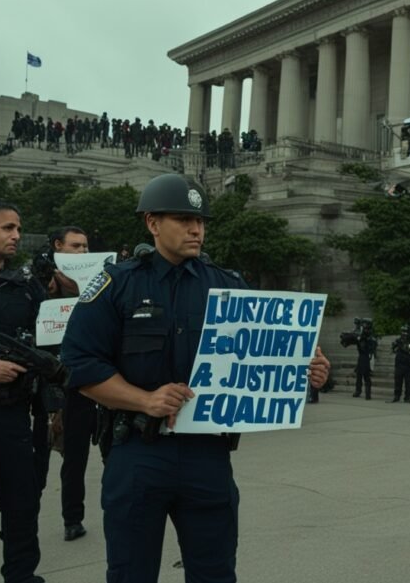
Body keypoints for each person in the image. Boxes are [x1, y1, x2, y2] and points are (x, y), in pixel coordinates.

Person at [60, 174, 330, 583]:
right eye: (184, 219)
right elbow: (79, 365)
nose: (196, 229)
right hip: (137, 453)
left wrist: (307, 371)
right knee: (130, 573)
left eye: (201, 220)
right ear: (152, 223)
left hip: (208, 457)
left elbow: (267, 357)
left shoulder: (229, 286)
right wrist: (145, 400)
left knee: (215, 573)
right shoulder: (118, 284)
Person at [0, 201, 48, 583]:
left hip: (14, 414)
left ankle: (22, 577)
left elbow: (52, 334)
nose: (16, 236)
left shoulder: (25, 286)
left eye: (19, 229)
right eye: (7, 228)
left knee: (22, 504)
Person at [44, 227, 95, 541]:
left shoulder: (99, 284)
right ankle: (72, 519)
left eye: (86, 247)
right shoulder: (44, 287)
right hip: (68, 386)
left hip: (101, 380)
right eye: (75, 246)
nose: (82, 252)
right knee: (74, 458)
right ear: (58, 247)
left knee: (115, 455)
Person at [390, 325, 410, 403]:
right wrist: (395, 347)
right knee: (398, 382)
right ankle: (397, 396)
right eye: (403, 332)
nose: (404, 334)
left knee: (408, 383)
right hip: (400, 364)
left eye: (405, 332)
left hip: (408, 365)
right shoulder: (398, 341)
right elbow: (393, 349)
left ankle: (407, 397)